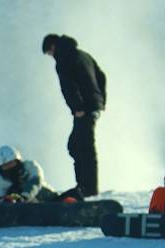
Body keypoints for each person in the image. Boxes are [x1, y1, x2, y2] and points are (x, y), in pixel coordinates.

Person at [42, 34, 106, 198]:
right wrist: (100, 100)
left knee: (83, 147)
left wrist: (77, 107)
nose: (51, 56)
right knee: (76, 145)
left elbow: (67, 86)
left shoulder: (63, 58)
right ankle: (84, 185)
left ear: (53, 46)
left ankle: (88, 189)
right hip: (93, 107)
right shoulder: (84, 55)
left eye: (49, 53)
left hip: (83, 109)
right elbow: (101, 76)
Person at [0, 145, 75, 203]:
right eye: (5, 166)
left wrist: (24, 197)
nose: (9, 168)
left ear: (17, 161)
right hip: (23, 210)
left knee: (72, 195)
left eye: (11, 163)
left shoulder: (30, 166)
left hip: (48, 200)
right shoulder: (3, 180)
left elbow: (35, 182)